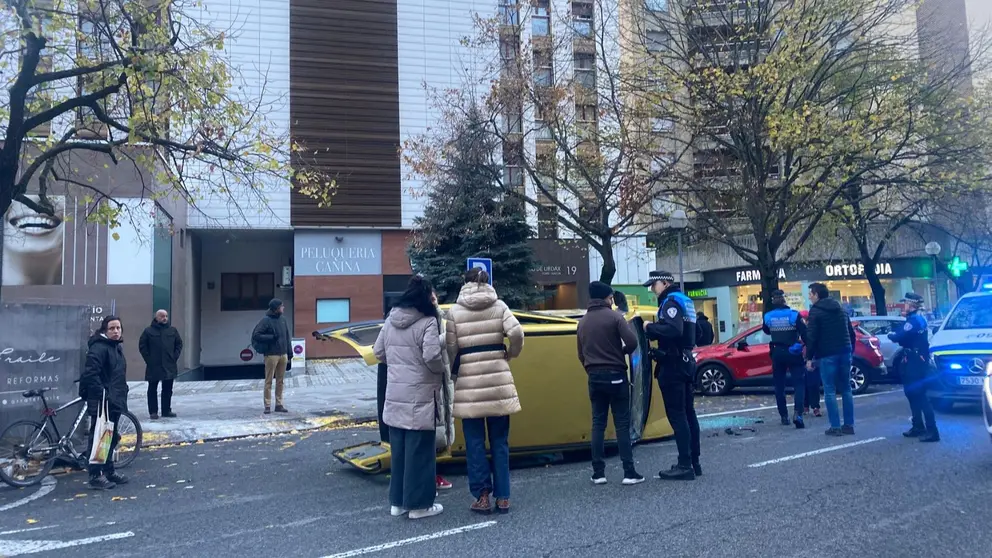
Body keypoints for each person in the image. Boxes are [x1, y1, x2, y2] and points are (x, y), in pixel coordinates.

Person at [446, 267, 524, 514]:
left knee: (475, 443)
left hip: (469, 384)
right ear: (487, 281)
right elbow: (517, 333)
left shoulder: (454, 312)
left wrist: (455, 370)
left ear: (465, 282)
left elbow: (450, 348)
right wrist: (510, 354)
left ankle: (482, 497)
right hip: (498, 380)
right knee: (500, 441)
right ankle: (503, 497)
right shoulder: (500, 306)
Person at [374, 276, 447, 520]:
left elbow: (378, 352)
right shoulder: (428, 322)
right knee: (420, 453)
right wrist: (440, 370)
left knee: (400, 452)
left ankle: (398, 503)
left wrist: (397, 366)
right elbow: (432, 357)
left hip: (395, 395)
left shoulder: (390, 320)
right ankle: (419, 505)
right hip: (420, 396)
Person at [577, 281, 643, 485]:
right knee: (622, 424)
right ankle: (629, 472)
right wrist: (619, 353)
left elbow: (580, 354)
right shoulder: (615, 317)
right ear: (608, 298)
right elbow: (632, 342)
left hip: (594, 376)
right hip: (616, 374)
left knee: (598, 424)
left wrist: (591, 367)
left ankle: (598, 473)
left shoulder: (583, 322)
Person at [643, 271, 701, 480]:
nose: (652, 289)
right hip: (686, 361)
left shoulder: (670, 302)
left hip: (674, 365)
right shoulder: (686, 301)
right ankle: (694, 462)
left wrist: (649, 327)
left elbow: (673, 329)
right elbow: (699, 333)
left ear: (665, 283)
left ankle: (684, 465)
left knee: (677, 415)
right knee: (688, 413)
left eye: (654, 285)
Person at [79, 316, 130, 490]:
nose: (116, 331)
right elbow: (91, 374)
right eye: (112, 328)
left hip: (114, 401)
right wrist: (102, 394)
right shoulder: (99, 348)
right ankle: (95, 475)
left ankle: (109, 471)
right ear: (104, 330)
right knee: (99, 438)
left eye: (118, 328)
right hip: (102, 402)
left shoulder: (116, 348)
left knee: (111, 438)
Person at [805, 283, 857, 436]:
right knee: (846, 389)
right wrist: (850, 350)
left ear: (816, 295)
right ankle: (849, 425)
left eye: (810, 294)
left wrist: (809, 358)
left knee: (829, 390)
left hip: (828, 354)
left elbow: (811, 337)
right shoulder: (841, 309)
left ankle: (835, 426)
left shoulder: (815, 311)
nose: (809, 296)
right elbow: (851, 332)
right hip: (845, 351)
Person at [889, 293, 940, 443]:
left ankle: (932, 430)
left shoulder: (914, 320)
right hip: (912, 359)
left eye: (905, 303)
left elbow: (898, 336)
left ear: (911, 305)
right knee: (911, 393)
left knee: (919, 395)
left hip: (915, 361)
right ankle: (918, 426)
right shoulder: (915, 319)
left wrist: (894, 334)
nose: (903, 306)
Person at [762, 290, 808, 429]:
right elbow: (805, 333)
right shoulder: (794, 314)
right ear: (784, 300)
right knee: (799, 384)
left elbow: (766, 330)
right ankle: (798, 414)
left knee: (779, 385)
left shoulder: (768, 316)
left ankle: (784, 416)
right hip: (793, 352)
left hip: (777, 352)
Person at [138, 309, 183, 419]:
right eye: (162, 316)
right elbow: (142, 346)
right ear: (156, 317)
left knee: (167, 389)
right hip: (154, 366)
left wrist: (174, 357)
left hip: (169, 365)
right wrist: (149, 360)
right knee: (152, 389)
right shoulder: (148, 331)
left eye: (166, 316)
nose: (165, 318)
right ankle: (153, 412)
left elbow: (179, 344)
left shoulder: (172, 330)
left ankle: (166, 410)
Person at [251, 298, 294, 414]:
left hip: (283, 354)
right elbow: (256, 335)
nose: (283, 308)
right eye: (281, 306)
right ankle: (267, 405)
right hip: (271, 355)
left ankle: (279, 404)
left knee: (280, 381)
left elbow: (287, 337)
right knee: (269, 381)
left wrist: (290, 352)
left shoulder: (283, 320)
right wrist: (271, 338)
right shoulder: (266, 320)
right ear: (276, 309)